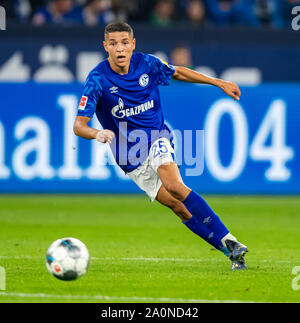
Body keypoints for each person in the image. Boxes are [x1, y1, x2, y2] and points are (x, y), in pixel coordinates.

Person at [73, 22, 248, 270]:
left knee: (175, 186)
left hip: (156, 137)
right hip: (129, 156)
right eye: (113, 44)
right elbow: (78, 126)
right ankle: (231, 252)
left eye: (124, 42)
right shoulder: (97, 79)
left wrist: (217, 82)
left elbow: (178, 72)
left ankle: (230, 239)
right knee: (178, 207)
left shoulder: (148, 64)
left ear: (133, 44)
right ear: (105, 47)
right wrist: (96, 133)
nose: (119, 48)